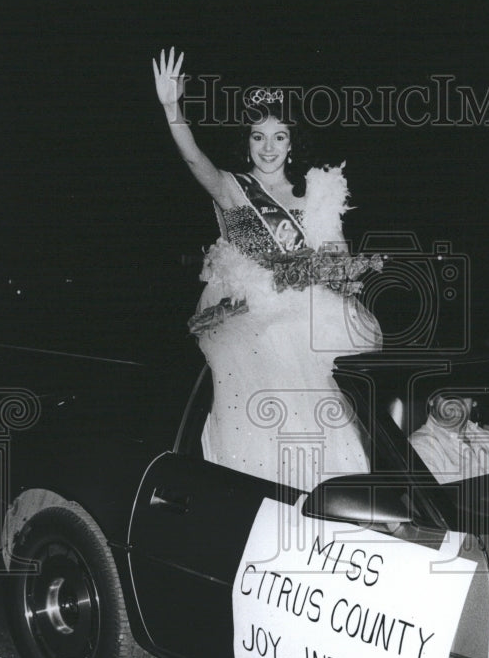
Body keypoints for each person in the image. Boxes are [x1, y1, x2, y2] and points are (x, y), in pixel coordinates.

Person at [153, 48, 382, 489]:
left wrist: (340, 271)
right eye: (259, 137)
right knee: (274, 357)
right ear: (247, 141)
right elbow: (194, 160)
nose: (269, 147)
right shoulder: (233, 189)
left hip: (313, 313)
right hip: (253, 315)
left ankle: (335, 492)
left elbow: (334, 257)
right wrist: (171, 108)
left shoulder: (317, 191)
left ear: (293, 141)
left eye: (279, 137)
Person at [408, 392, 489, 483]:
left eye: (464, 395)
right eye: (448, 395)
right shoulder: (420, 446)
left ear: (473, 402)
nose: (457, 402)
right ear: (432, 400)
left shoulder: (484, 435)